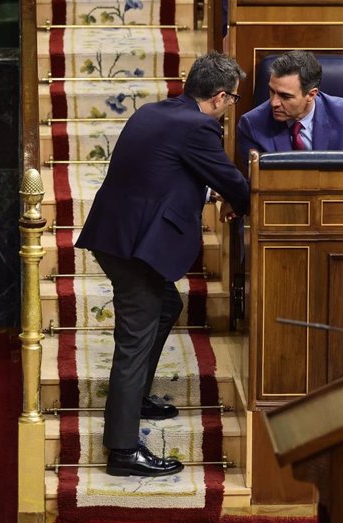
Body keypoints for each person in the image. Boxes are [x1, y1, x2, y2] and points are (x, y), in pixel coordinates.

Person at [75, 51, 250, 477]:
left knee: (167, 307)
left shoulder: (155, 112)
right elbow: (234, 182)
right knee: (133, 345)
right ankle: (122, 451)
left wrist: (213, 197)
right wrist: (235, 201)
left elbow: (164, 175)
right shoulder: (199, 127)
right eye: (233, 100)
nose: (231, 108)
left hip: (119, 236)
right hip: (133, 248)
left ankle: (136, 400)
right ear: (221, 96)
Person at [236, 50, 343, 167]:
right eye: (272, 91)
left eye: (285, 96)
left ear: (311, 94)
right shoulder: (251, 125)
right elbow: (260, 185)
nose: (274, 103)